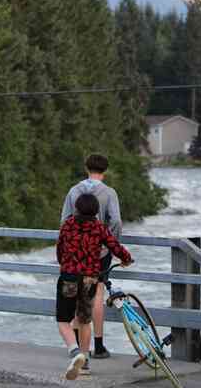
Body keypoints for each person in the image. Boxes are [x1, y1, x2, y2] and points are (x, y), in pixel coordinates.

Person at [56, 193, 132, 379]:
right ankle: (85, 362)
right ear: (96, 211)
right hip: (90, 279)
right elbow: (115, 246)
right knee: (84, 321)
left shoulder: (68, 225)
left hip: (69, 277)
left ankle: (75, 353)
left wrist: (64, 263)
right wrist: (126, 259)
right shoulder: (99, 228)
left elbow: (59, 249)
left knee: (63, 320)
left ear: (76, 209)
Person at [60, 154, 122, 358]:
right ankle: (99, 344)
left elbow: (64, 221)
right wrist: (108, 243)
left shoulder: (74, 190)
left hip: (75, 253)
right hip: (100, 249)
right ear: (105, 170)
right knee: (96, 295)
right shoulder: (109, 192)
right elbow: (116, 222)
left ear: (86, 168)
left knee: (76, 295)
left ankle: (77, 346)